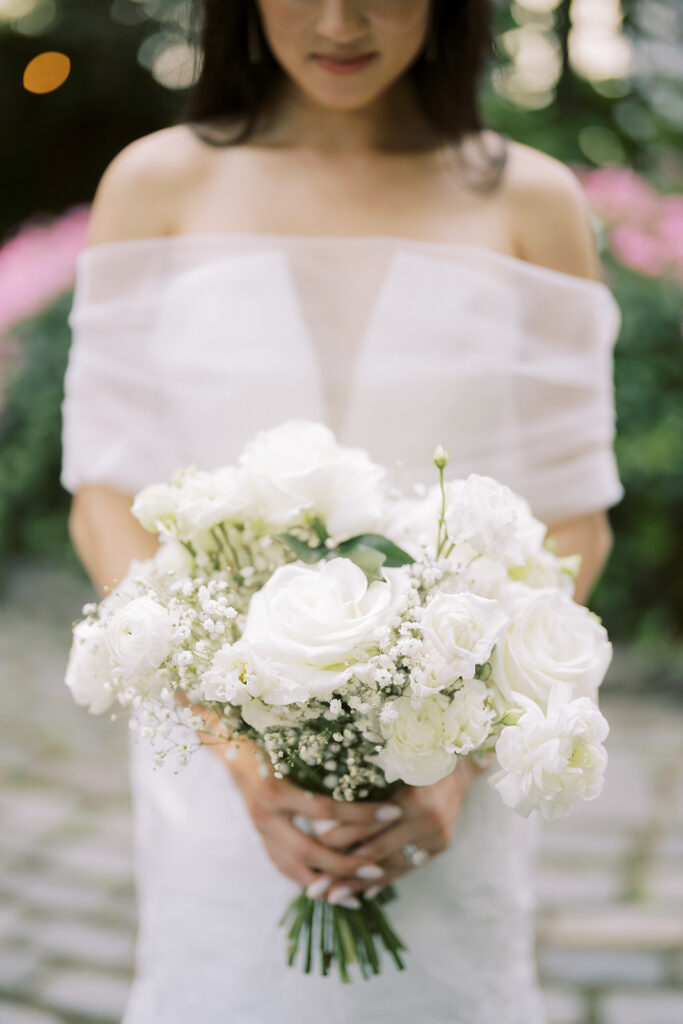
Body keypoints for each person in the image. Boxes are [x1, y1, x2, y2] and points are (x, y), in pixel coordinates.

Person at [61, 1, 623, 1021]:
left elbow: (574, 516)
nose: (339, 20)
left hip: (447, 772)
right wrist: (235, 742)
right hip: (218, 775)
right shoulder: (156, 183)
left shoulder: (530, 202)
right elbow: (103, 492)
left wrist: (454, 749)